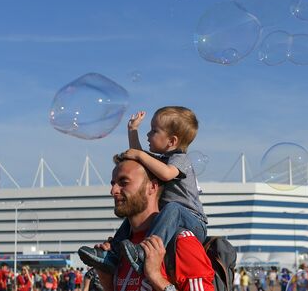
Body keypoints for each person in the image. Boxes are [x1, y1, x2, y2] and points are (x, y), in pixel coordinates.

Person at [80, 107, 207, 274]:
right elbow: (139, 155)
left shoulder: (181, 159)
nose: (148, 135)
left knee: (173, 207)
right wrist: (133, 130)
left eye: (154, 130)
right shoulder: (162, 160)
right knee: (132, 214)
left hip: (193, 221)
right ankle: (113, 254)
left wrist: (140, 156)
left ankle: (143, 254)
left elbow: (166, 174)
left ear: (172, 141)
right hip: (170, 218)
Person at [90, 154, 215, 291]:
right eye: (113, 183)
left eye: (124, 183)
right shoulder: (120, 248)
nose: (113, 191)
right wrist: (107, 283)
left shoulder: (181, 242)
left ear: (153, 187)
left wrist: (156, 277)